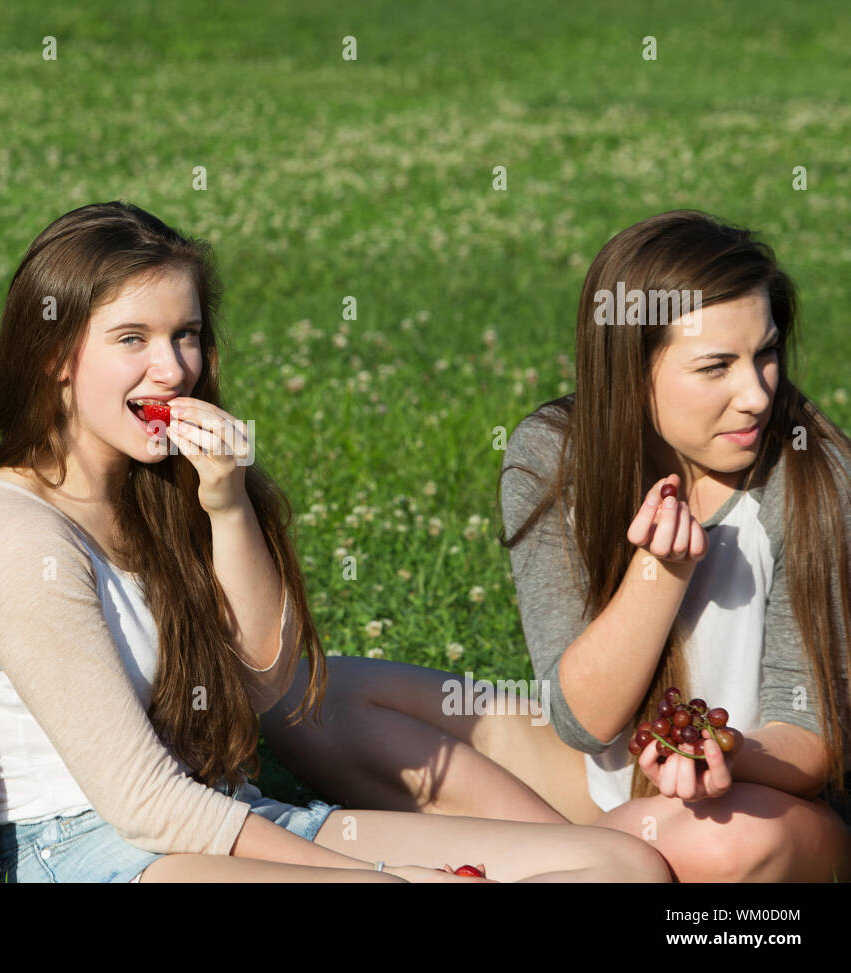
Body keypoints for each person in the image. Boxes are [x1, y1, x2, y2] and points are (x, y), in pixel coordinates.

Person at [0, 200, 671, 882]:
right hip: (90, 850)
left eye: (187, 334)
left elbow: (270, 682)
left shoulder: (170, 487)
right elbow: (143, 802)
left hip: (227, 815)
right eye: (132, 339)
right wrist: (378, 875)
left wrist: (227, 505)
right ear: (55, 355)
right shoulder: (18, 532)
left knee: (624, 866)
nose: (173, 370)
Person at [261, 210, 851, 882]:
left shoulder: (813, 477)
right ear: (631, 372)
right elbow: (586, 721)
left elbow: (812, 742)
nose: (755, 394)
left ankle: (572, 860)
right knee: (308, 696)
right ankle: (589, 861)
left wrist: (719, 756)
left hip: (761, 801)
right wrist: (659, 574)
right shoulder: (552, 457)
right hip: (595, 777)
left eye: (766, 353)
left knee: (718, 848)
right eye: (716, 366)